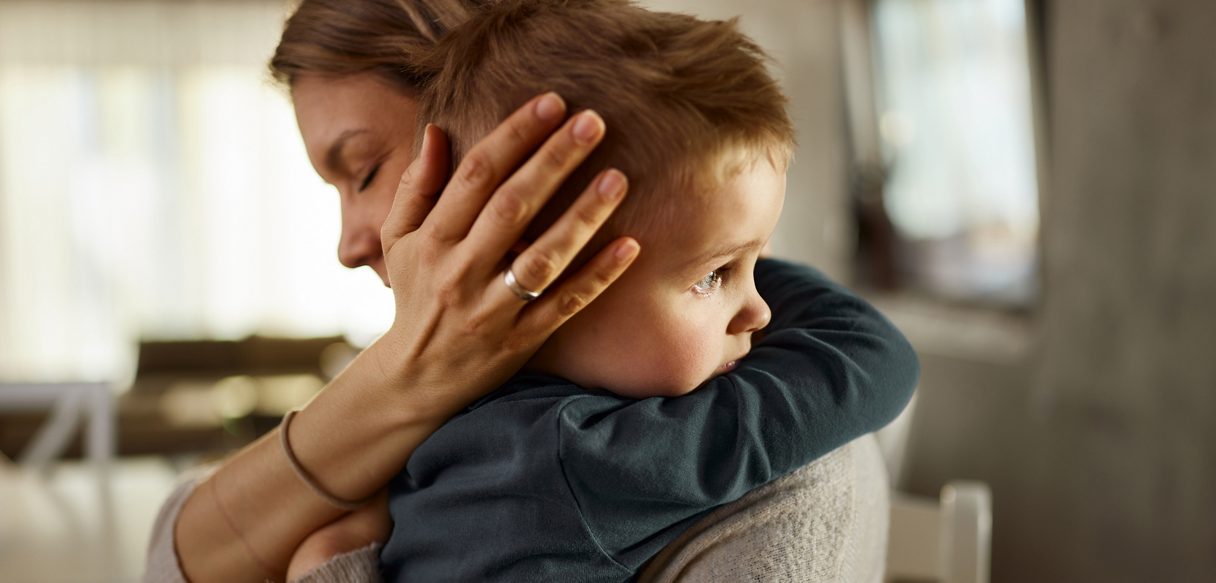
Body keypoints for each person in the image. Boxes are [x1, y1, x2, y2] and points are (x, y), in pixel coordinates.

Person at [143, 1, 916, 581]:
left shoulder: (775, 459)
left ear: (517, 156)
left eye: (365, 170)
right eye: (715, 273)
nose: (349, 244)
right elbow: (167, 556)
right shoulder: (532, 410)